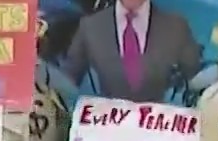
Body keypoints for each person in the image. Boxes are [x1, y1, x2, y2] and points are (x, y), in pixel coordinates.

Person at [57, 0, 204, 104]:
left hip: (158, 135)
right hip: (106, 134)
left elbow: (196, 78)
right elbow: (67, 80)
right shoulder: (90, 26)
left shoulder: (176, 26)